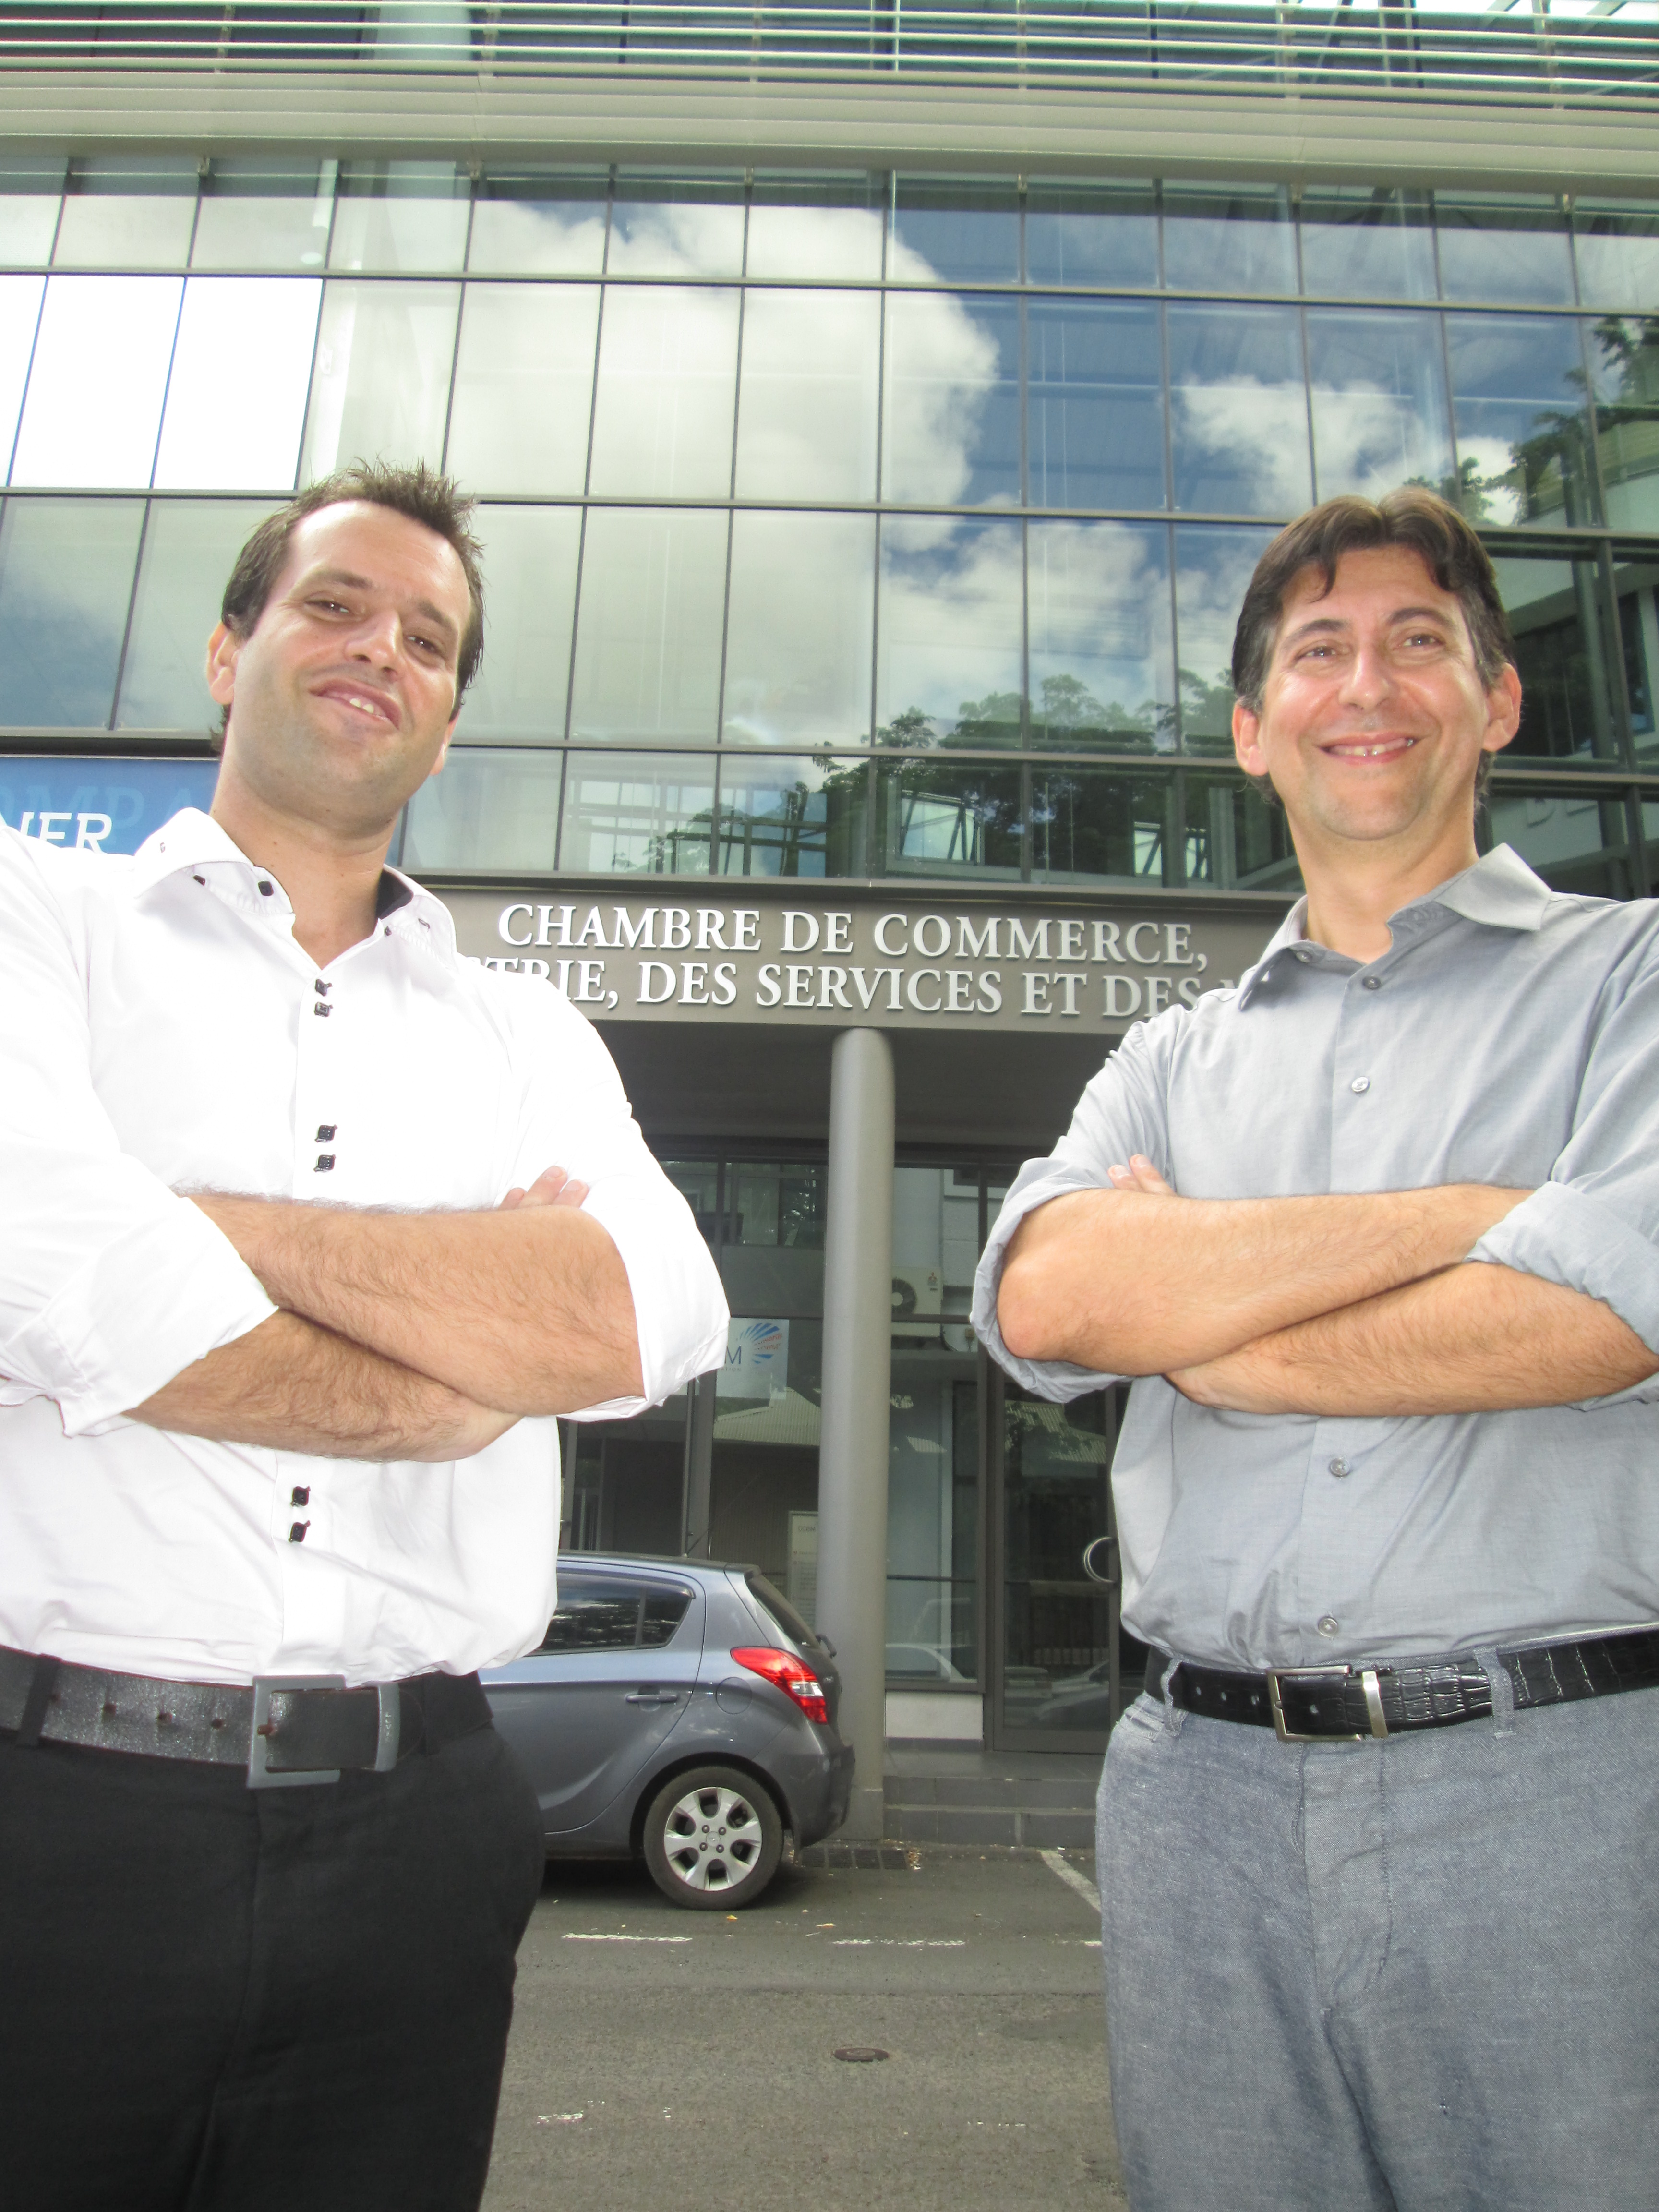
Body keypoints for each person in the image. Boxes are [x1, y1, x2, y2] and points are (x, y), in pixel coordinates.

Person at [0, 461, 729, 2212]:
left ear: (450, 720)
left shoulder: (529, 1031)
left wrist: (198, 1224)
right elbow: (62, 1279)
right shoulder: (39, 923)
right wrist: (463, 1354)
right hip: (57, 1821)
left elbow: (653, 1314)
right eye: (332, 604)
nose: (377, 650)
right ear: (226, 646)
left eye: (428, 637)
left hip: (421, 1836)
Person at [971, 488, 1659, 2212]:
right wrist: (1485, 1212)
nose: (1371, 682)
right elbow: (1054, 1302)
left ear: (1498, 702)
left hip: (1559, 1794)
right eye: (1321, 650)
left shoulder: (1633, 980)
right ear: (1252, 732)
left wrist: (1224, 1335)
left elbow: (1599, 1313)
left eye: (1421, 640)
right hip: (1195, 1798)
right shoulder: (1167, 1058)